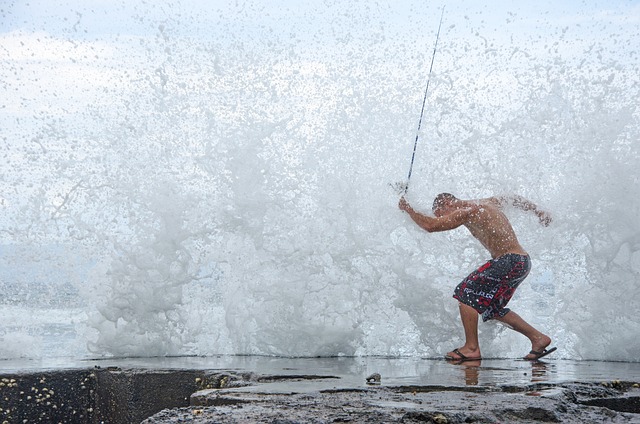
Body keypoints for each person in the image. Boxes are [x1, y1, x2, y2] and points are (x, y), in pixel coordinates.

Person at [398, 192, 556, 361]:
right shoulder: (488, 203)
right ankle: (538, 338)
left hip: (509, 261)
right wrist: (538, 211)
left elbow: (430, 226)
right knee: (492, 309)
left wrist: (408, 208)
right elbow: (513, 199)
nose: (446, 218)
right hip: (521, 262)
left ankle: (471, 348)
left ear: (447, 204)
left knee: (465, 292)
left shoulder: (467, 210)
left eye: (441, 214)